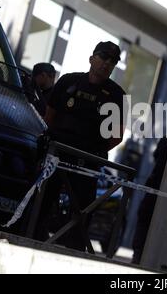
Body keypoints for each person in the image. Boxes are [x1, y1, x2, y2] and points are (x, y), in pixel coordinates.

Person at [36, 41, 126, 251]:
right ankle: (31, 236)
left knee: (82, 210)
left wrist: (92, 151)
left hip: (88, 160)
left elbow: (117, 135)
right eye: (103, 57)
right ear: (92, 58)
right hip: (57, 154)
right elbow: (49, 117)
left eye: (112, 61)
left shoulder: (116, 95)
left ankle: (72, 251)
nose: (106, 64)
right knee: (41, 201)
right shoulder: (69, 81)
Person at [131, 137, 167, 264]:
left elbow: (156, 156)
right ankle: (139, 254)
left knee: (145, 218)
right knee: (145, 217)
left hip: (159, 186)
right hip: (160, 188)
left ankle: (139, 254)